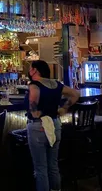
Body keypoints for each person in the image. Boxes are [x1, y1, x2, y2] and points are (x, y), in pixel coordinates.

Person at [25, 60, 80, 191]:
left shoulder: (34, 84)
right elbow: (75, 94)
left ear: (35, 70)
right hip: (55, 124)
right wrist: (64, 108)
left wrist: (34, 111)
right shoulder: (56, 83)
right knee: (53, 165)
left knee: (41, 168)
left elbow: (33, 98)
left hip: (39, 126)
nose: (29, 70)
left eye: (30, 68)